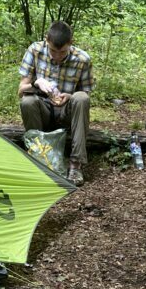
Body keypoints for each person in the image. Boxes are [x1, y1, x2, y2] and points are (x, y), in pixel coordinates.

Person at [18, 21, 92, 185]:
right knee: (27, 101)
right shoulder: (35, 50)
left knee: (81, 98)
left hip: (67, 113)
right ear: (46, 41)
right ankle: (39, 158)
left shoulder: (82, 59)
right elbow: (20, 91)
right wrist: (36, 83)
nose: (57, 56)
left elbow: (85, 95)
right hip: (43, 110)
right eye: (52, 50)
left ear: (70, 43)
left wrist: (69, 95)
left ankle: (75, 165)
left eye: (62, 52)